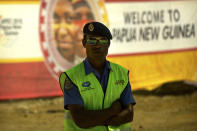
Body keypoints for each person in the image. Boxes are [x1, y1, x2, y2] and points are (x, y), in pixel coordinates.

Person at [59, 21, 136, 131]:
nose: (97, 45)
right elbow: (81, 120)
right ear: (84, 43)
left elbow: (129, 114)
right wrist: (112, 111)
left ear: (108, 44)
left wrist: (96, 119)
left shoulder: (121, 73)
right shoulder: (71, 77)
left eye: (103, 41)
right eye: (92, 40)